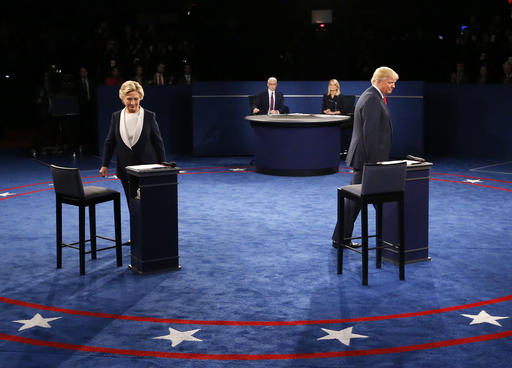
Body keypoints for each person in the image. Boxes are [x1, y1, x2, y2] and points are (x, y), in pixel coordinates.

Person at [332, 66, 399, 248]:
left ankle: (342, 238)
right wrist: (374, 165)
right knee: (357, 201)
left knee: (358, 202)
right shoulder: (371, 99)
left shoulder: (372, 96)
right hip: (368, 161)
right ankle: (388, 239)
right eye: (391, 82)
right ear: (380, 80)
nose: (393, 86)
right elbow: (369, 134)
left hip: (367, 160)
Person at [99, 81, 166, 210]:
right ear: (123, 99)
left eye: (136, 99)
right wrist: (105, 164)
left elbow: (158, 142)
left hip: (147, 169)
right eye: (129, 99)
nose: (133, 103)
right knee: (132, 206)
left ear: (140, 97)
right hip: (125, 169)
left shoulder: (149, 116)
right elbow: (110, 141)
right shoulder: (116, 116)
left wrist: (163, 163)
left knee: (149, 206)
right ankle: (136, 230)